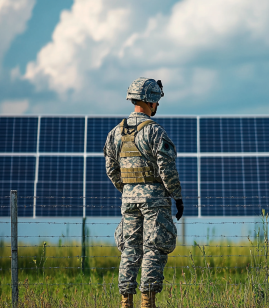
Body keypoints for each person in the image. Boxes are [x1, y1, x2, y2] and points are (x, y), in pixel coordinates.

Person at [104, 77, 184, 308]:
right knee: (153, 248)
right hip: (154, 201)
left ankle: (125, 301)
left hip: (128, 200)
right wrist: (176, 196)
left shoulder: (115, 133)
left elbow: (111, 169)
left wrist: (128, 189)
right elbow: (167, 169)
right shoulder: (155, 132)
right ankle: (147, 303)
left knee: (129, 249)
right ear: (152, 101)